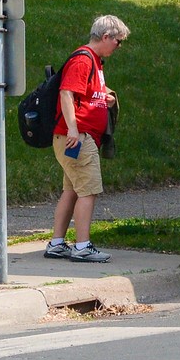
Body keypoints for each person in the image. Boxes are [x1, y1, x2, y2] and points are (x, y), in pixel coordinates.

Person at [46, 14, 128, 262]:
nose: (119, 46)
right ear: (106, 37)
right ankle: (82, 246)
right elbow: (66, 94)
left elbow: (86, 93)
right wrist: (73, 129)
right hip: (77, 138)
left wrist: (106, 98)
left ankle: (57, 243)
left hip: (74, 137)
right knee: (88, 191)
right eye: (118, 41)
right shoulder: (83, 60)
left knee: (71, 190)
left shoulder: (95, 61)